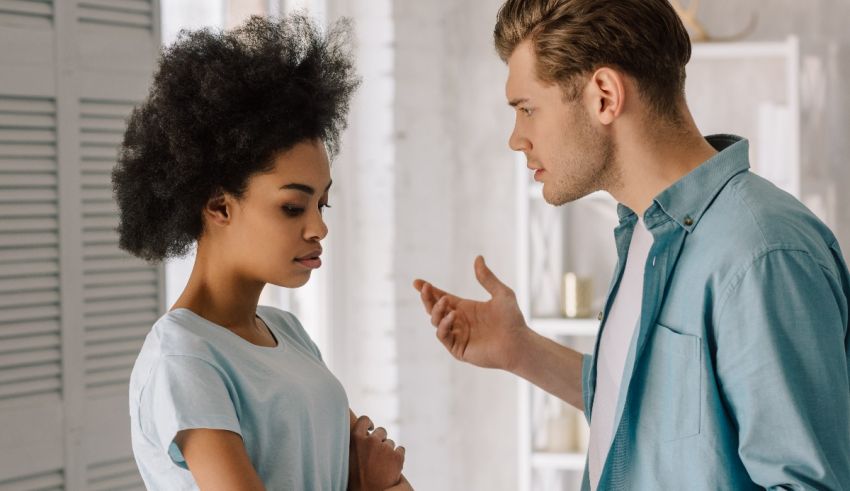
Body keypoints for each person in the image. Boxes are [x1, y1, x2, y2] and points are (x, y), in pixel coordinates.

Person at [414, 0, 850, 489]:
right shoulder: (647, 233)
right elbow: (653, 411)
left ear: (603, 95)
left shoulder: (762, 255)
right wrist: (521, 350)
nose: (517, 138)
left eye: (527, 110)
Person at [117, 15, 411, 491]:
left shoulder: (288, 333)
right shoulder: (184, 358)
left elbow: (391, 479)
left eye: (322, 203)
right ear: (219, 206)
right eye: (293, 207)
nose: (319, 227)